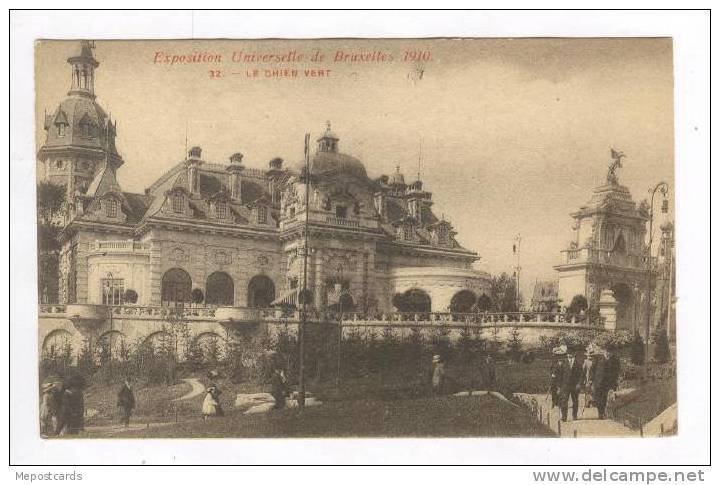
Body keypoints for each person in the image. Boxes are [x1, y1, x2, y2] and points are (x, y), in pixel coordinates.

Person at [555, 345, 585, 421]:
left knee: (575, 401)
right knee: (564, 401)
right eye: (569, 353)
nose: (570, 354)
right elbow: (559, 375)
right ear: (567, 353)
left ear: (574, 353)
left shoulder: (578, 363)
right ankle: (564, 417)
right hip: (565, 385)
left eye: (572, 352)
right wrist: (559, 387)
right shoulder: (563, 363)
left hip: (575, 386)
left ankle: (574, 416)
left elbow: (582, 375)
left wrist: (579, 384)